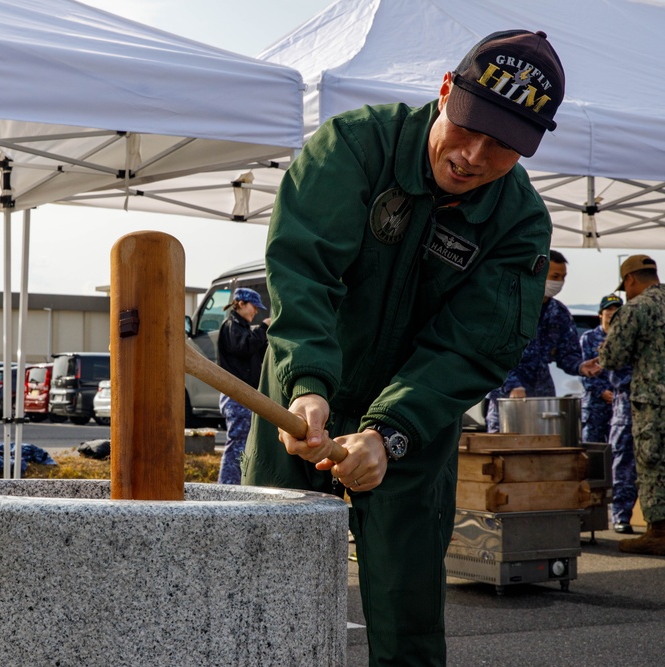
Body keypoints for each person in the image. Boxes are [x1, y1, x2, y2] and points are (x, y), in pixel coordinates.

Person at [241, 30, 566, 665]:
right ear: (446, 90)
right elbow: (305, 275)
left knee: (406, 601)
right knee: (264, 587)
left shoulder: (520, 223)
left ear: (530, 148)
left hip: (413, 424)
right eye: (468, 127)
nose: (473, 155)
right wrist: (307, 384)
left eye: (503, 146)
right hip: (299, 399)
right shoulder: (356, 146)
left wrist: (388, 435)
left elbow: (470, 348)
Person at [484, 250, 601, 432]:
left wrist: (581, 366)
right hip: (508, 398)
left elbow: (567, 354)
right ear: (539, 273)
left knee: (544, 448)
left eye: (563, 277)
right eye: (555, 276)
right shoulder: (511, 306)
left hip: (542, 398)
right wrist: (513, 386)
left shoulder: (559, 313)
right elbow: (493, 354)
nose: (559, 282)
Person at [599, 254, 665, 555]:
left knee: (652, 463)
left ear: (630, 279)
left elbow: (612, 358)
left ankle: (659, 532)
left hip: (653, 403)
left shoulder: (637, 308)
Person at [216, 287, 269, 484]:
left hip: (244, 395)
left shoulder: (242, 328)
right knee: (237, 442)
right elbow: (244, 347)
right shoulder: (231, 326)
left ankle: (236, 484)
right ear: (241, 304)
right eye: (253, 307)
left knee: (243, 442)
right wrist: (263, 329)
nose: (255, 311)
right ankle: (228, 486)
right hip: (235, 395)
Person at [579, 294, 622, 443]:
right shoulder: (588, 338)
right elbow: (583, 372)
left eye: (617, 309)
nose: (612, 313)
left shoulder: (626, 339)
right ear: (600, 314)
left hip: (620, 407)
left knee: (619, 451)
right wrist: (602, 391)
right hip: (594, 406)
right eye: (608, 309)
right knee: (592, 451)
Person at [606, 357, 636, 534]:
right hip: (628, 411)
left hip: (656, 411)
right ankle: (621, 515)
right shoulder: (626, 332)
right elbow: (613, 368)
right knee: (624, 465)